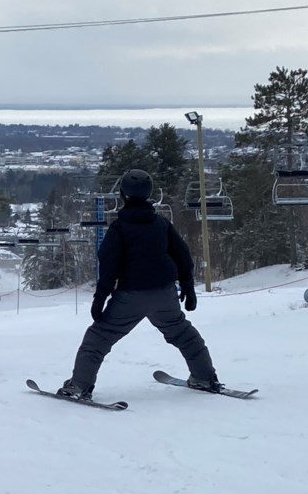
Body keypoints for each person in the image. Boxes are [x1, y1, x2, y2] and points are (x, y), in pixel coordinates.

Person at [58, 168, 221, 400]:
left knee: (98, 338)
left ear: (123, 195)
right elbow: (182, 255)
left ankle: (79, 385)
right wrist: (187, 286)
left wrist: (100, 299)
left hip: (130, 296)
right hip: (165, 294)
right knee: (184, 334)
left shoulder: (119, 229)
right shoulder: (161, 224)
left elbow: (108, 265)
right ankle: (205, 377)